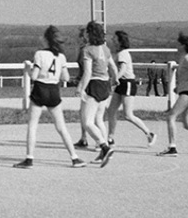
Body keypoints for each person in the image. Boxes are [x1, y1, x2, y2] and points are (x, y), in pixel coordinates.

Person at [13, 26, 86, 169]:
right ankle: (74, 157)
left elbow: (34, 76)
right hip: (54, 90)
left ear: (46, 39)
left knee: (33, 125)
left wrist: (28, 68)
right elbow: (65, 77)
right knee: (61, 127)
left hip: (40, 89)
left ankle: (29, 158)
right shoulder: (61, 56)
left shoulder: (39, 54)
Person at [76, 21, 117, 167]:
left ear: (90, 33)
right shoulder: (105, 49)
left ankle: (104, 147)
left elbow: (87, 72)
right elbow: (112, 66)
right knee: (99, 119)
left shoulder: (87, 50)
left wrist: (80, 88)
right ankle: (103, 152)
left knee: (87, 122)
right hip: (106, 85)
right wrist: (116, 79)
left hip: (94, 85)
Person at [106, 31, 156, 147]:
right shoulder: (117, 53)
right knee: (111, 111)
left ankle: (149, 133)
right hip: (121, 83)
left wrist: (114, 80)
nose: (112, 39)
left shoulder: (123, 53)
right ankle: (110, 138)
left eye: (115, 38)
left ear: (120, 40)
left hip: (127, 83)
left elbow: (123, 69)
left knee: (128, 115)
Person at [73, 26, 90, 148]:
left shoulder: (85, 50)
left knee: (88, 114)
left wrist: (81, 85)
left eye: (80, 36)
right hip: (86, 82)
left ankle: (103, 142)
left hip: (88, 84)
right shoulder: (83, 50)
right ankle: (84, 137)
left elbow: (86, 70)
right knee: (84, 113)